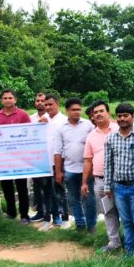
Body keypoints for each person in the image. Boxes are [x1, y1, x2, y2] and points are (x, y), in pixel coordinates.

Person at [104, 103, 134, 258]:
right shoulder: (110, 138)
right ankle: (130, 252)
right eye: (119, 116)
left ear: (133, 116)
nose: (122, 119)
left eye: (125, 116)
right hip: (119, 188)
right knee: (126, 221)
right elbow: (108, 164)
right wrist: (107, 186)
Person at [54, 98, 95, 231]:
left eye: (79, 109)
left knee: (89, 199)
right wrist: (59, 172)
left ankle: (91, 226)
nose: (77, 112)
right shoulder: (61, 128)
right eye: (73, 110)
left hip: (87, 170)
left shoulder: (88, 125)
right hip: (70, 170)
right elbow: (58, 151)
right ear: (67, 111)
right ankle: (80, 225)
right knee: (73, 199)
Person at [0, 89, 32, 223]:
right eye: (5, 98)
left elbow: (30, 135)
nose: (7, 100)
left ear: (15, 100)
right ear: (1, 100)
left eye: (10, 98)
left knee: (22, 188)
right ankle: (11, 212)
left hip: (20, 159)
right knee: (7, 187)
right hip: (3, 159)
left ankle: (24, 215)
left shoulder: (23, 115)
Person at [82, 100, 118, 236]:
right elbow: (87, 160)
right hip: (100, 181)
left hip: (120, 180)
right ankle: (114, 242)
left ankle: (131, 244)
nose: (98, 114)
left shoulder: (118, 129)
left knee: (126, 213)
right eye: (95, 112)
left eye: (101, 111)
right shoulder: (91, 136)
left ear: (108, 113)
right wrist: (84, 182)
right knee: (108, 212)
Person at [42, 94, 69, 230]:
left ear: (57, 104)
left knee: (60, 190)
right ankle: (48, 219)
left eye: (50, 104)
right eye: (46, 105)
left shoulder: (64, 121)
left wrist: (61, 166)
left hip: (59, 162)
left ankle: (64, 218)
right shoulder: (42, 120)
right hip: (44, 162)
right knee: (46, 191)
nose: (48, 107)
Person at [29, 92, 54, 223]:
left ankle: (53, 213)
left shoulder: (52, 118)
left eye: (42, 100)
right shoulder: (30, 118)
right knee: (37, 186)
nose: (40, 102)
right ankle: (40, 212)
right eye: (37, 100)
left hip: (50, 158)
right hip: (35, 158)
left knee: (51, 187)